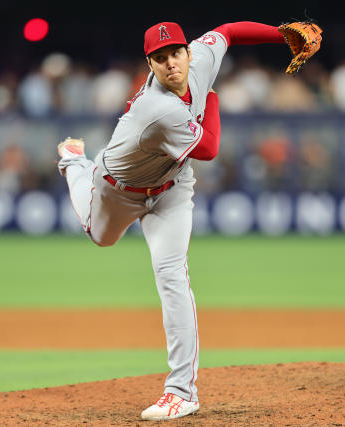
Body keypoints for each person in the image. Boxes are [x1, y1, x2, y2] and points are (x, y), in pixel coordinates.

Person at [57, 20, 319, 421]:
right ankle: (74, 161)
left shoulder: (201, 57)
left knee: (172, 276)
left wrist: (281, 34)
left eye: (176, 53)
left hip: (171, 189)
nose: (170, 64)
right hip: (116, 189)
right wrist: (211, 98)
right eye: (159, 59)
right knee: (100, 236)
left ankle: (181, 391)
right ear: (150, 65)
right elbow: (210, 147)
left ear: (188, 52)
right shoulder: (157, 107)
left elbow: (229, 31)